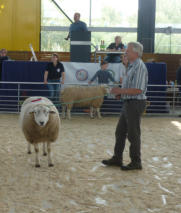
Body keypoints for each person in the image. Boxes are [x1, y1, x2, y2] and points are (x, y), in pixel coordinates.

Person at [102, 42, 148, 171]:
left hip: (135, 103)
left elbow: (138, 90)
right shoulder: (131, 66)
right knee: (120, 131)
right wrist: (120, 94)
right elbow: (129, 87)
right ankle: (117, 158)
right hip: (128, 102)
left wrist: (120, 91)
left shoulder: (139, 66)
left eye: (127, 50)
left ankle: (136, 162)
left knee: (133, 134)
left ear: (135, 53)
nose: (125, 52)